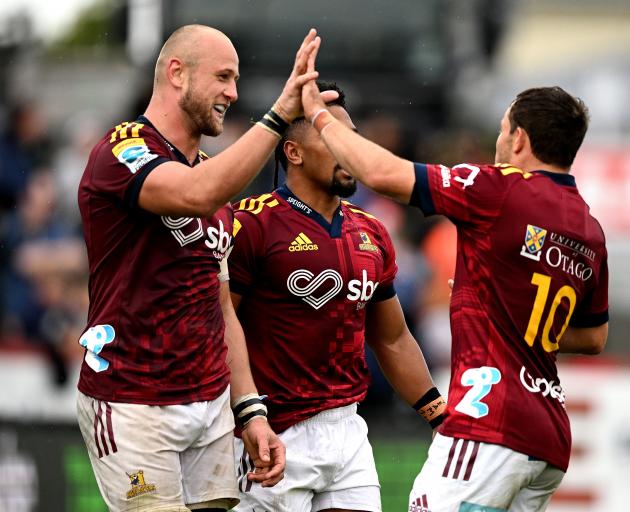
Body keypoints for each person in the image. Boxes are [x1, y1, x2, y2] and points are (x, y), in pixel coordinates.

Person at [300, 83, 609, 511]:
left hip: (490, 422)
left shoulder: (498, 188)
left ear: (519, 138)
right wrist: (499, 304)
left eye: (503, 130)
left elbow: (385, 175)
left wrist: (319, 118)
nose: (499, 141)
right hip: (549, 437)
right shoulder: (589, 228)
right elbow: (593, 337)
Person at [76, 25, 332, 512]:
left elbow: (221, 309)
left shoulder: (214, 175)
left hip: (209, 400)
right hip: (134, 399)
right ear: (177, 73)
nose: (233, 94)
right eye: (223, 77)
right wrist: (280, 115)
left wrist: (250, 410)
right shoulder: (122, 148)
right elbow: (196, 194)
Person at [228, 81, 446, 512]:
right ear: (294, 152)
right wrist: (247, 413)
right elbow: (220, 325)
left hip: (348, 430)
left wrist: (437, 413)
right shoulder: (251, 224)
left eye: (351, 138)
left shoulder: (371, 231)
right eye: (331, 139)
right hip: (273, 430)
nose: (348, 150)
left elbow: (392, 338)